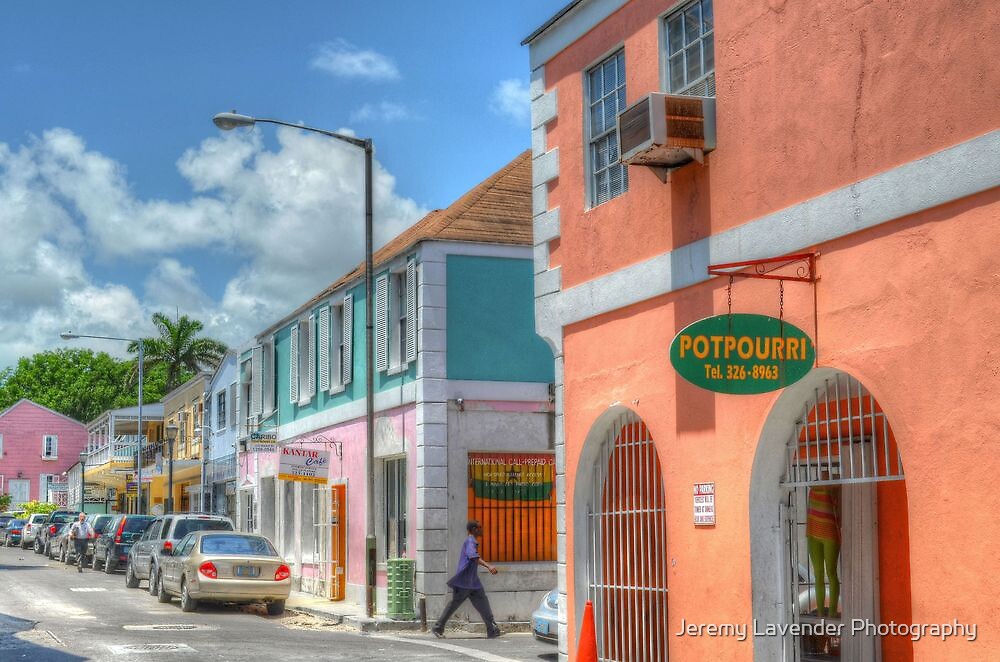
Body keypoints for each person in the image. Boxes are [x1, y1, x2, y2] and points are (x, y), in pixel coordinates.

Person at [432, 520, 501, 639]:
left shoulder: (472, 541)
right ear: (474, 529)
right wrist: (489, 566)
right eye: (480, 527)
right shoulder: (470, 541)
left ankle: (492, 629)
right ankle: (438, 627)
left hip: (473, 582)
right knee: (454, 605)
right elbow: (473, 556)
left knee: (483, 604)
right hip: (464, 582)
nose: (482, 529)